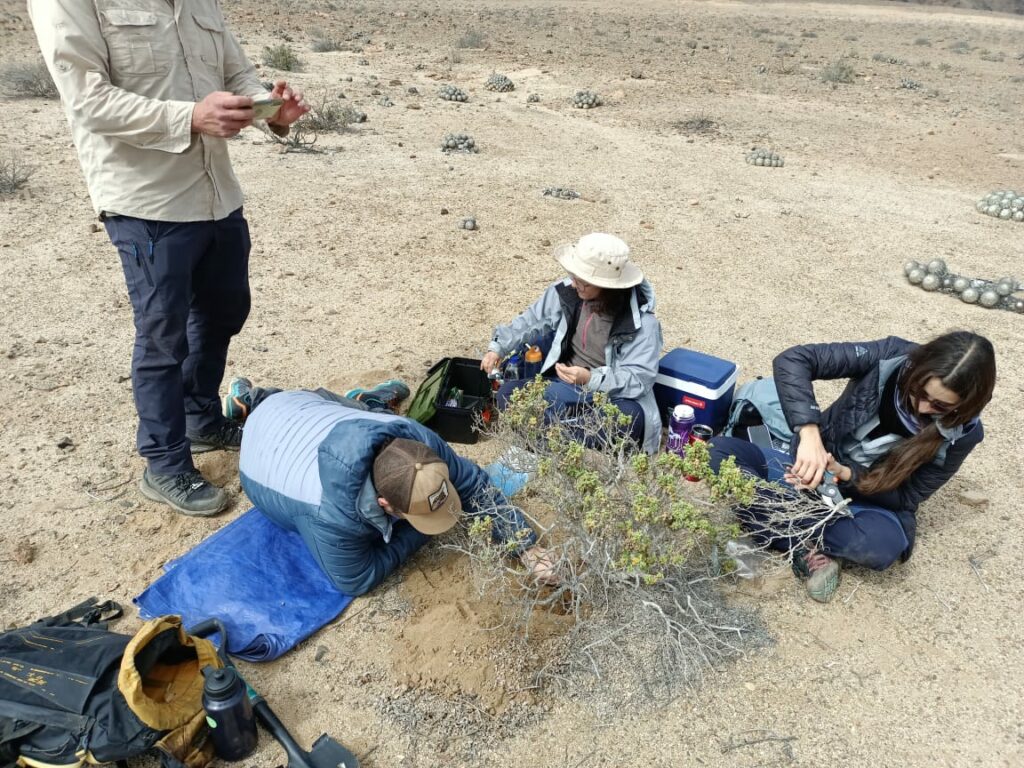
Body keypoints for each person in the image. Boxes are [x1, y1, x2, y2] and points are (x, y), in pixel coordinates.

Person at [29, 1, 310, 516]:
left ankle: (201, 418)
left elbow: (236, 70)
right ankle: (164, 463)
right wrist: (191, 116)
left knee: (226, 309)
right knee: (163, 336)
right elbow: (87, 99)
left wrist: (270, 109)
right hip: (147, 201)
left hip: (216, 193)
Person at [709, 331, 996, 602]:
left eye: (940, 407)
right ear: (916, 367)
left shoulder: (963, 434)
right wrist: (810, 435)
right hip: (811, 469)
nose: (922, 408)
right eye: (919, 391)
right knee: (715, 452)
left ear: (965, 405)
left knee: (881, 546)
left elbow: (908, 497)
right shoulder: (890, 357)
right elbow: (794, 359)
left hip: (866, 502)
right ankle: (808, 541)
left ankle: (772, 520)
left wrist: (846, 475)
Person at [228, 380, 553, 597]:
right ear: (384, 504)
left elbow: (473, 483)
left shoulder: (416, 439)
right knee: (355, 415)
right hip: (258, 462)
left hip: (299, 404)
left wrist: (526, 546)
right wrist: (423, 530)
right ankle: (251, 402)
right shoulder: (330, 515)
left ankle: (365, 403)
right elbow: (355, 578)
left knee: (370, 415)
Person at [480, 233, 664, 454]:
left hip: (610, 397)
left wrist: (590, 378)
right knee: (507, 394)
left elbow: (638, 380)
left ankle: (552, 437)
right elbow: (532, 321)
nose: (574, 283)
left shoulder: (643, 324)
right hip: (564, 385)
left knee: (628, 419)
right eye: (574, 275)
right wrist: (497, 347)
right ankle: (564, 436)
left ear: (606, 286)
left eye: (583, 281)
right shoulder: (569, 290)